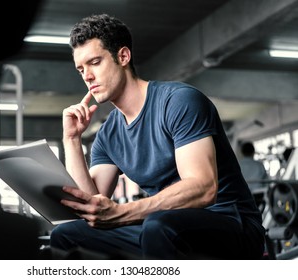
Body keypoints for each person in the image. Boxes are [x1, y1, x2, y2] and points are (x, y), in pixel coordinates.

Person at [50, 14, 265, 259]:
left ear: (123, 56)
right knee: (67, 235)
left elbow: (203, 188)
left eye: (95, 62)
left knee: (158, 227)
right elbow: (91, 205)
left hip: (230, 224)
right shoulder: (108, 133)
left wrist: (122, 212)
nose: (87, 76)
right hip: (163, 228)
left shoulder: (178, 101)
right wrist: (72, 140)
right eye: (81, 69)